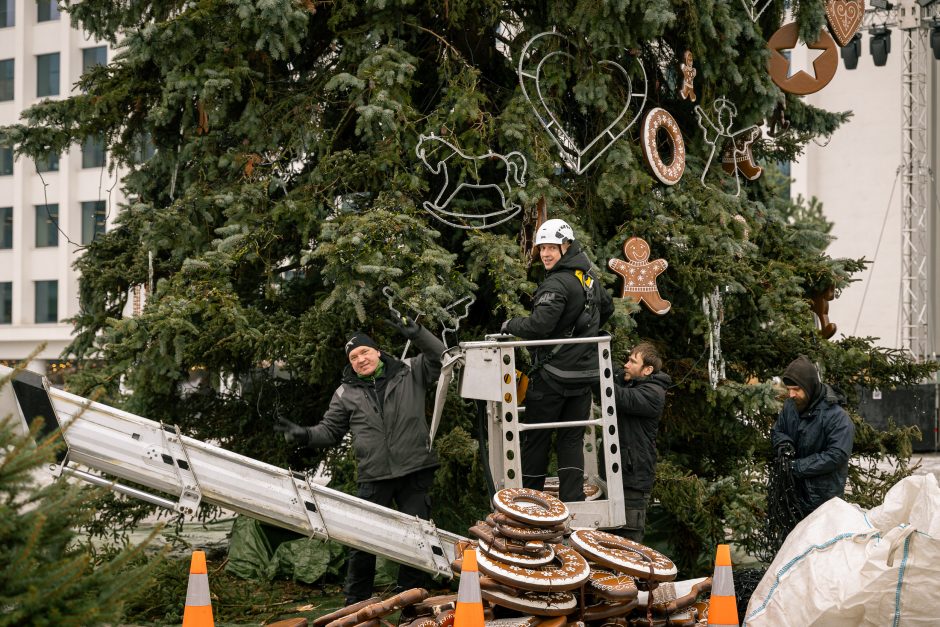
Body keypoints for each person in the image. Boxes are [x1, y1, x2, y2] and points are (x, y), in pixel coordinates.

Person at [275, 318, 443, 606]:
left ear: (377, 352)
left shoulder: (410, 371)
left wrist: (419, 334)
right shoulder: (345, 393)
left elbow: (442, 358)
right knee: (361, 542)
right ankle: (355, 604)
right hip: (374, 475)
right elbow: (329, 431)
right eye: (353, 357)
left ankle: (411, 604)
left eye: (364, 352)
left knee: (418, 540)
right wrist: (304, 434)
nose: (360, 359)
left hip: (414, 470)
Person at [501, 218, 614, 502]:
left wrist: (510, 324)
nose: (546, 254)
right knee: (571, 440)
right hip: (584, 375)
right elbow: (607, 309)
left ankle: (530, 502)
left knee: (536, 439)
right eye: (541, 249)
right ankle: (573, 501)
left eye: (552, 247)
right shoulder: (588, 278)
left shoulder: (558, 283)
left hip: (552, 375)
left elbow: (539, 327)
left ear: (566, 246)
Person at [771, 355, 855, 518]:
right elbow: (778, 431)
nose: (791, 395)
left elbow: (837, 455)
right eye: (788, 389)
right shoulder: (790, 407)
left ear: (809, 387)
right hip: (792, 500)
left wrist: (796, 467)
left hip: (823, 503)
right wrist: (785, 446)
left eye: (796, 389)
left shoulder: (837, 417)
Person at [610, 341, 670, 542]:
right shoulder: (634, 383)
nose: (626, 364)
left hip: (633, 481)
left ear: (647, 370)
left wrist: (599, 378)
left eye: (632, 362)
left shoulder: (653, 394)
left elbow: (619, 397)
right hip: (623, 476)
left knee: (629, 544)